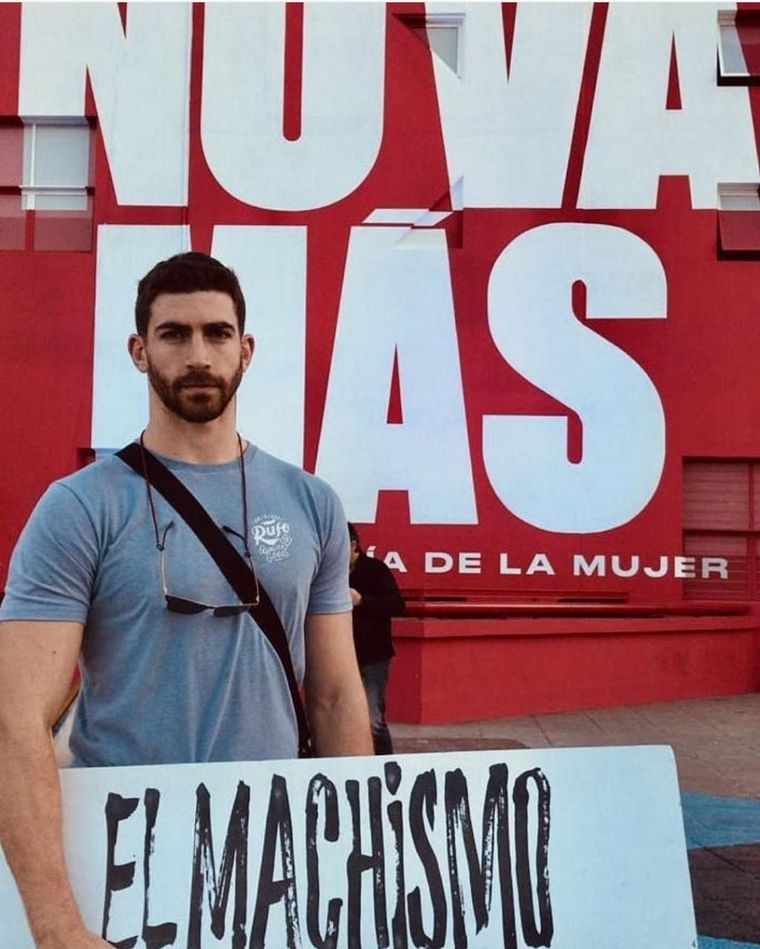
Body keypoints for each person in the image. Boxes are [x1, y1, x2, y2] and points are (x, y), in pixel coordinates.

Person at [0, 252, 372, 949]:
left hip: (271, 853)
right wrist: (55, 927)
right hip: (123, 850)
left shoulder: (311, 503)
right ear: (139, 351)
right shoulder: (79, 508)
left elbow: (334, 698)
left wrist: (354, 878)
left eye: (217, 333)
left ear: (246, 349)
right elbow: (15, 720)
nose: (198, 354)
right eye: (173, 334)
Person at [348, 523, 405, 755]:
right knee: (331, 716)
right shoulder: (328, 572)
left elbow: (397, 605)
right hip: (338, 656)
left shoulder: (375, 569)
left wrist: (362, 601)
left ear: (353, 545)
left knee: (374, 720)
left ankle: (385, 767)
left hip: (372, 657)